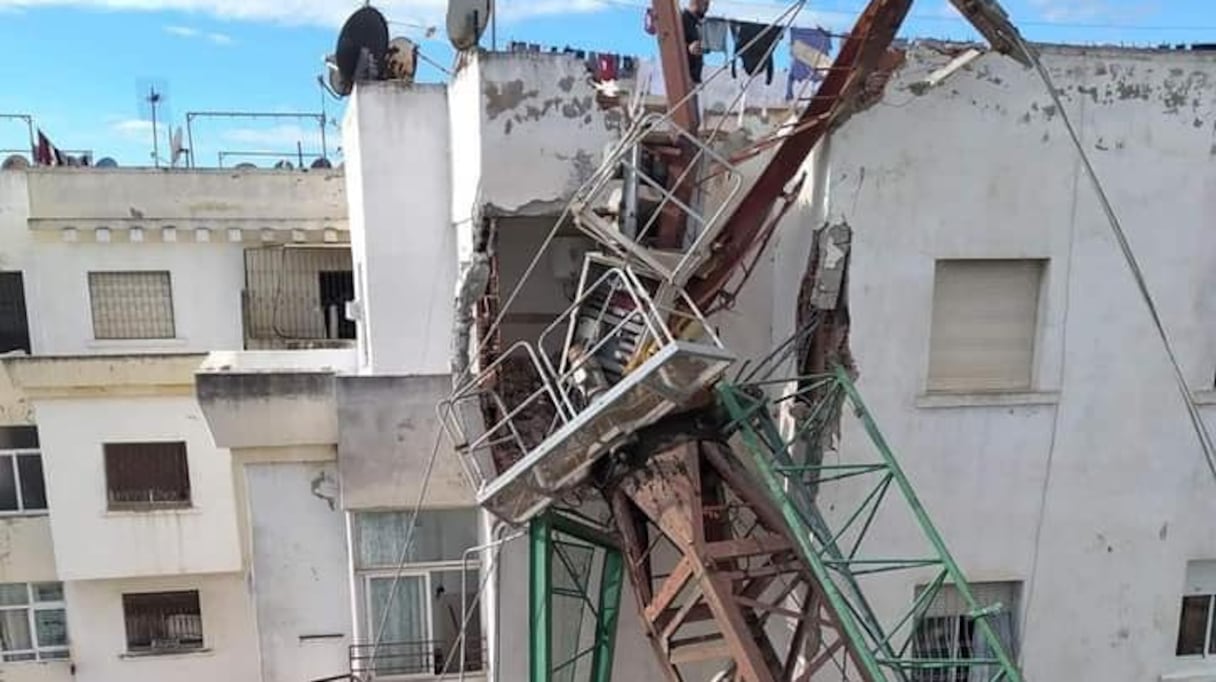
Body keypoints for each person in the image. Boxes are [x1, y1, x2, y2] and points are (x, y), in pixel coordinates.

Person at [681, 0, 710, 84]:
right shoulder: (683, 19)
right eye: (705, 3)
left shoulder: (696, 24)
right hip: (683, 78)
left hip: (693, 79)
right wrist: (688, 48)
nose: (707, 8)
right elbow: (671, 45)